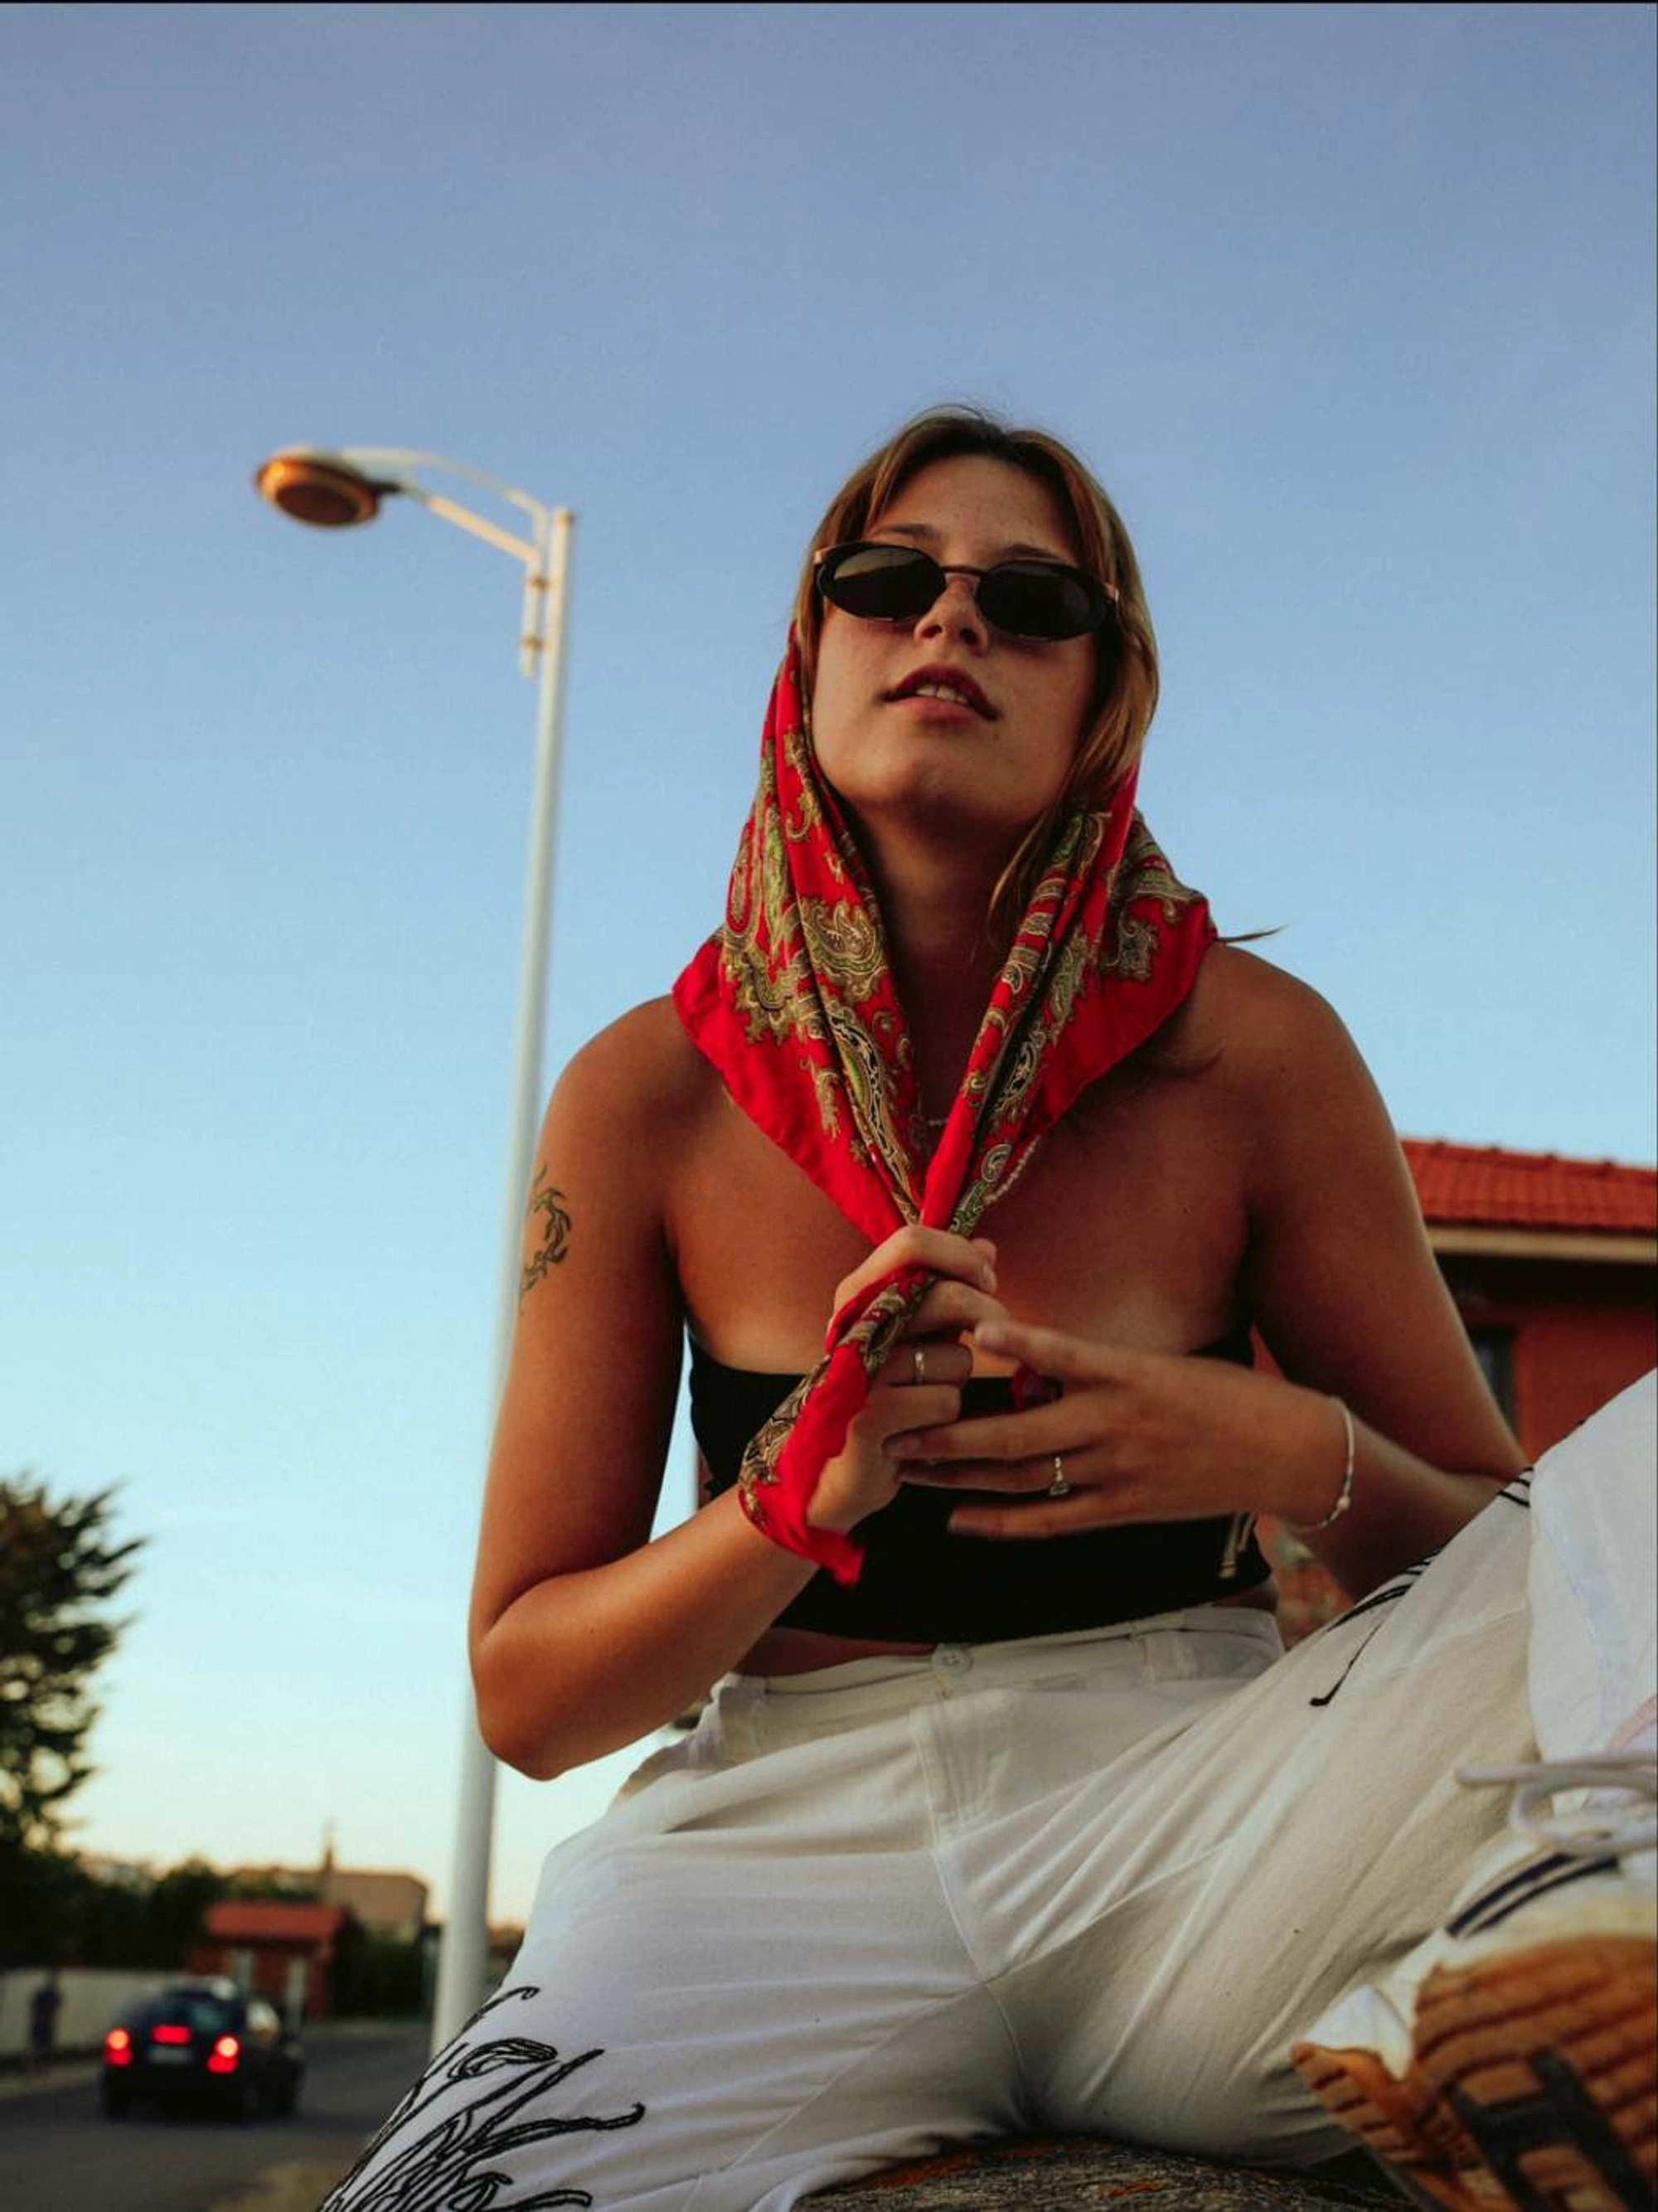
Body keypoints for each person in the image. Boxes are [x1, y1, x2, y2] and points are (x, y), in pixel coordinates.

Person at [324, 408, 1655, 2212]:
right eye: (890, 580)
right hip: (776, 1851)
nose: (950, 619)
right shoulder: (651, 1094)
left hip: (1203, 1816)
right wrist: (787, 1499)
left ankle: (1525, 1969)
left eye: (1031, 601)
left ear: (1106, 694)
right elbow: (531, 1697)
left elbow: (1531, 1576)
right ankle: (1483, 1968)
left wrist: (1291, 1451)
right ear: (812, 647)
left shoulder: (1251, 1056)